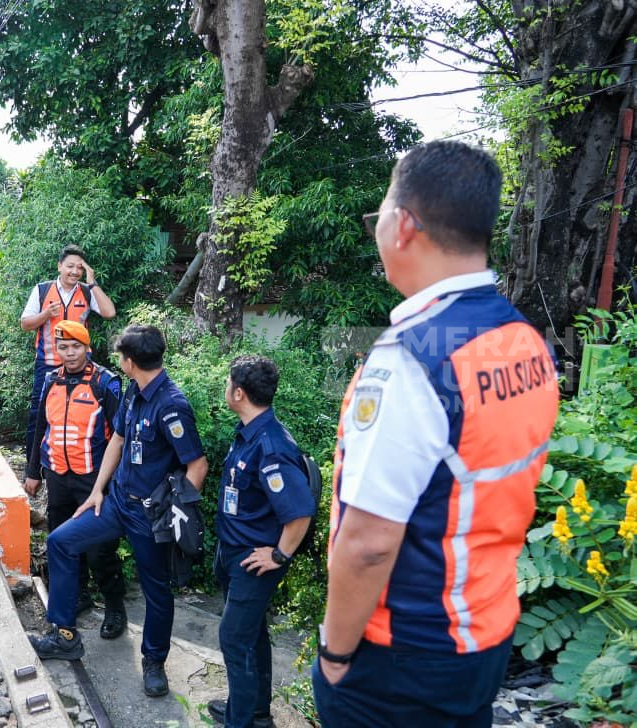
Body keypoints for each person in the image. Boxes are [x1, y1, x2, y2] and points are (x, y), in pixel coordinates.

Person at [312, 141, 560, 727]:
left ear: (403, 226)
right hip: (486, 629)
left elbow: (369, 541)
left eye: (379, 216)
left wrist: (335, 652)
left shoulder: (413, 358)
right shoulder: (521, 339)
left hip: (402, 654)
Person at [28, 324, 208, 699]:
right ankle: (64, 634)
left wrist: (178, 512)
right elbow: (119, 440)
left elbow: (197, 465)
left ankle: (154, 661)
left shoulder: (171, 404)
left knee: (157, 590)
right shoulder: (133, 390)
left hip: (149, 516)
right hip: (115, 504)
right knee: (61, 542)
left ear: (129, 361)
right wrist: (97, 492)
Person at [208, 355, 314, 728]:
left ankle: (241, 721)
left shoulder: (271, 447)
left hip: (253, 561)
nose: (225, 388)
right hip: (234, 552)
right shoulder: (251, 430)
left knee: (234, 640)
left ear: (238, 392)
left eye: (227, 382)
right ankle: (253, 710)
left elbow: (299, 512)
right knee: (250, 636)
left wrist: (279, 554)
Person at [23, 320, 127, 639]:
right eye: (63, 347)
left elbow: (120, 436)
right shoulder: (51, 381)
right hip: (58, 476)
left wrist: (114, 484)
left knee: (99, 549)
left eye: (76, 347)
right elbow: (41, 425)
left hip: (94, 480)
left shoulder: (105, 383)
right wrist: (32, 471)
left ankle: (114, 606)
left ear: (87, 347)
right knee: (62, 541)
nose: (69, 353)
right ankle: (79, 595)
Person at [20, 245, 116, 462]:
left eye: (79, 268)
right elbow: (25, 324)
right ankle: (34, 468)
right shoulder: (43, 290)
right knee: (39, 415)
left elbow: (109, 312)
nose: (74, 272)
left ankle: (77, 463)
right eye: (70, 266)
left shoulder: (86, 291)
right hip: (48, 364)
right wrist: (45, 314)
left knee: (79, 414)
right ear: (59, 266)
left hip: (82, 364)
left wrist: (93, 283)